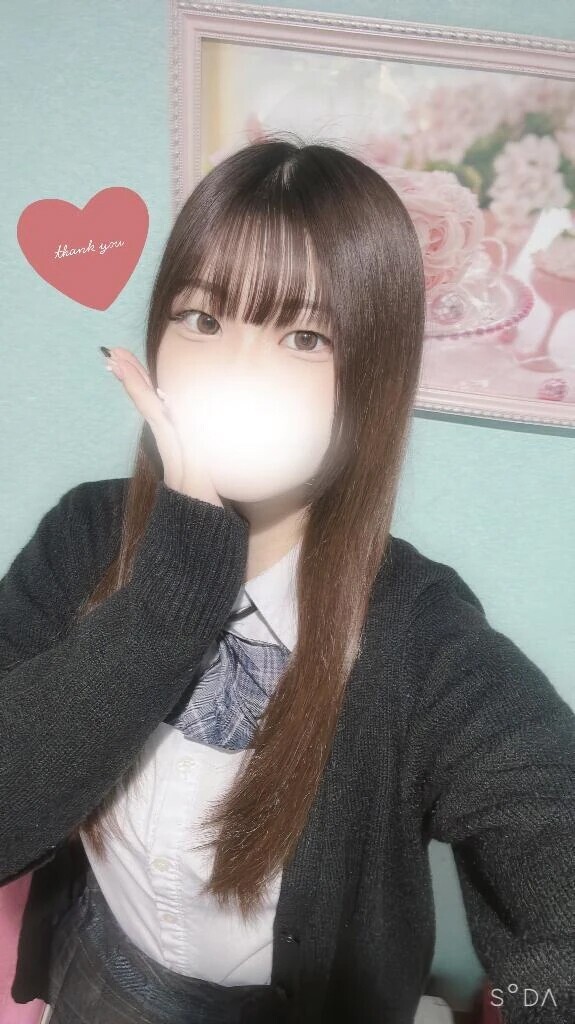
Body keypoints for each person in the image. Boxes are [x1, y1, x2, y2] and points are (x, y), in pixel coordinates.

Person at [1, 137, 574, 1024]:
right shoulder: (85, 535)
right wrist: (167, 595)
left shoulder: (424, 642)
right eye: (202, 319)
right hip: (93, 977)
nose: (236, 370)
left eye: (304, 337)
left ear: (372, 380)